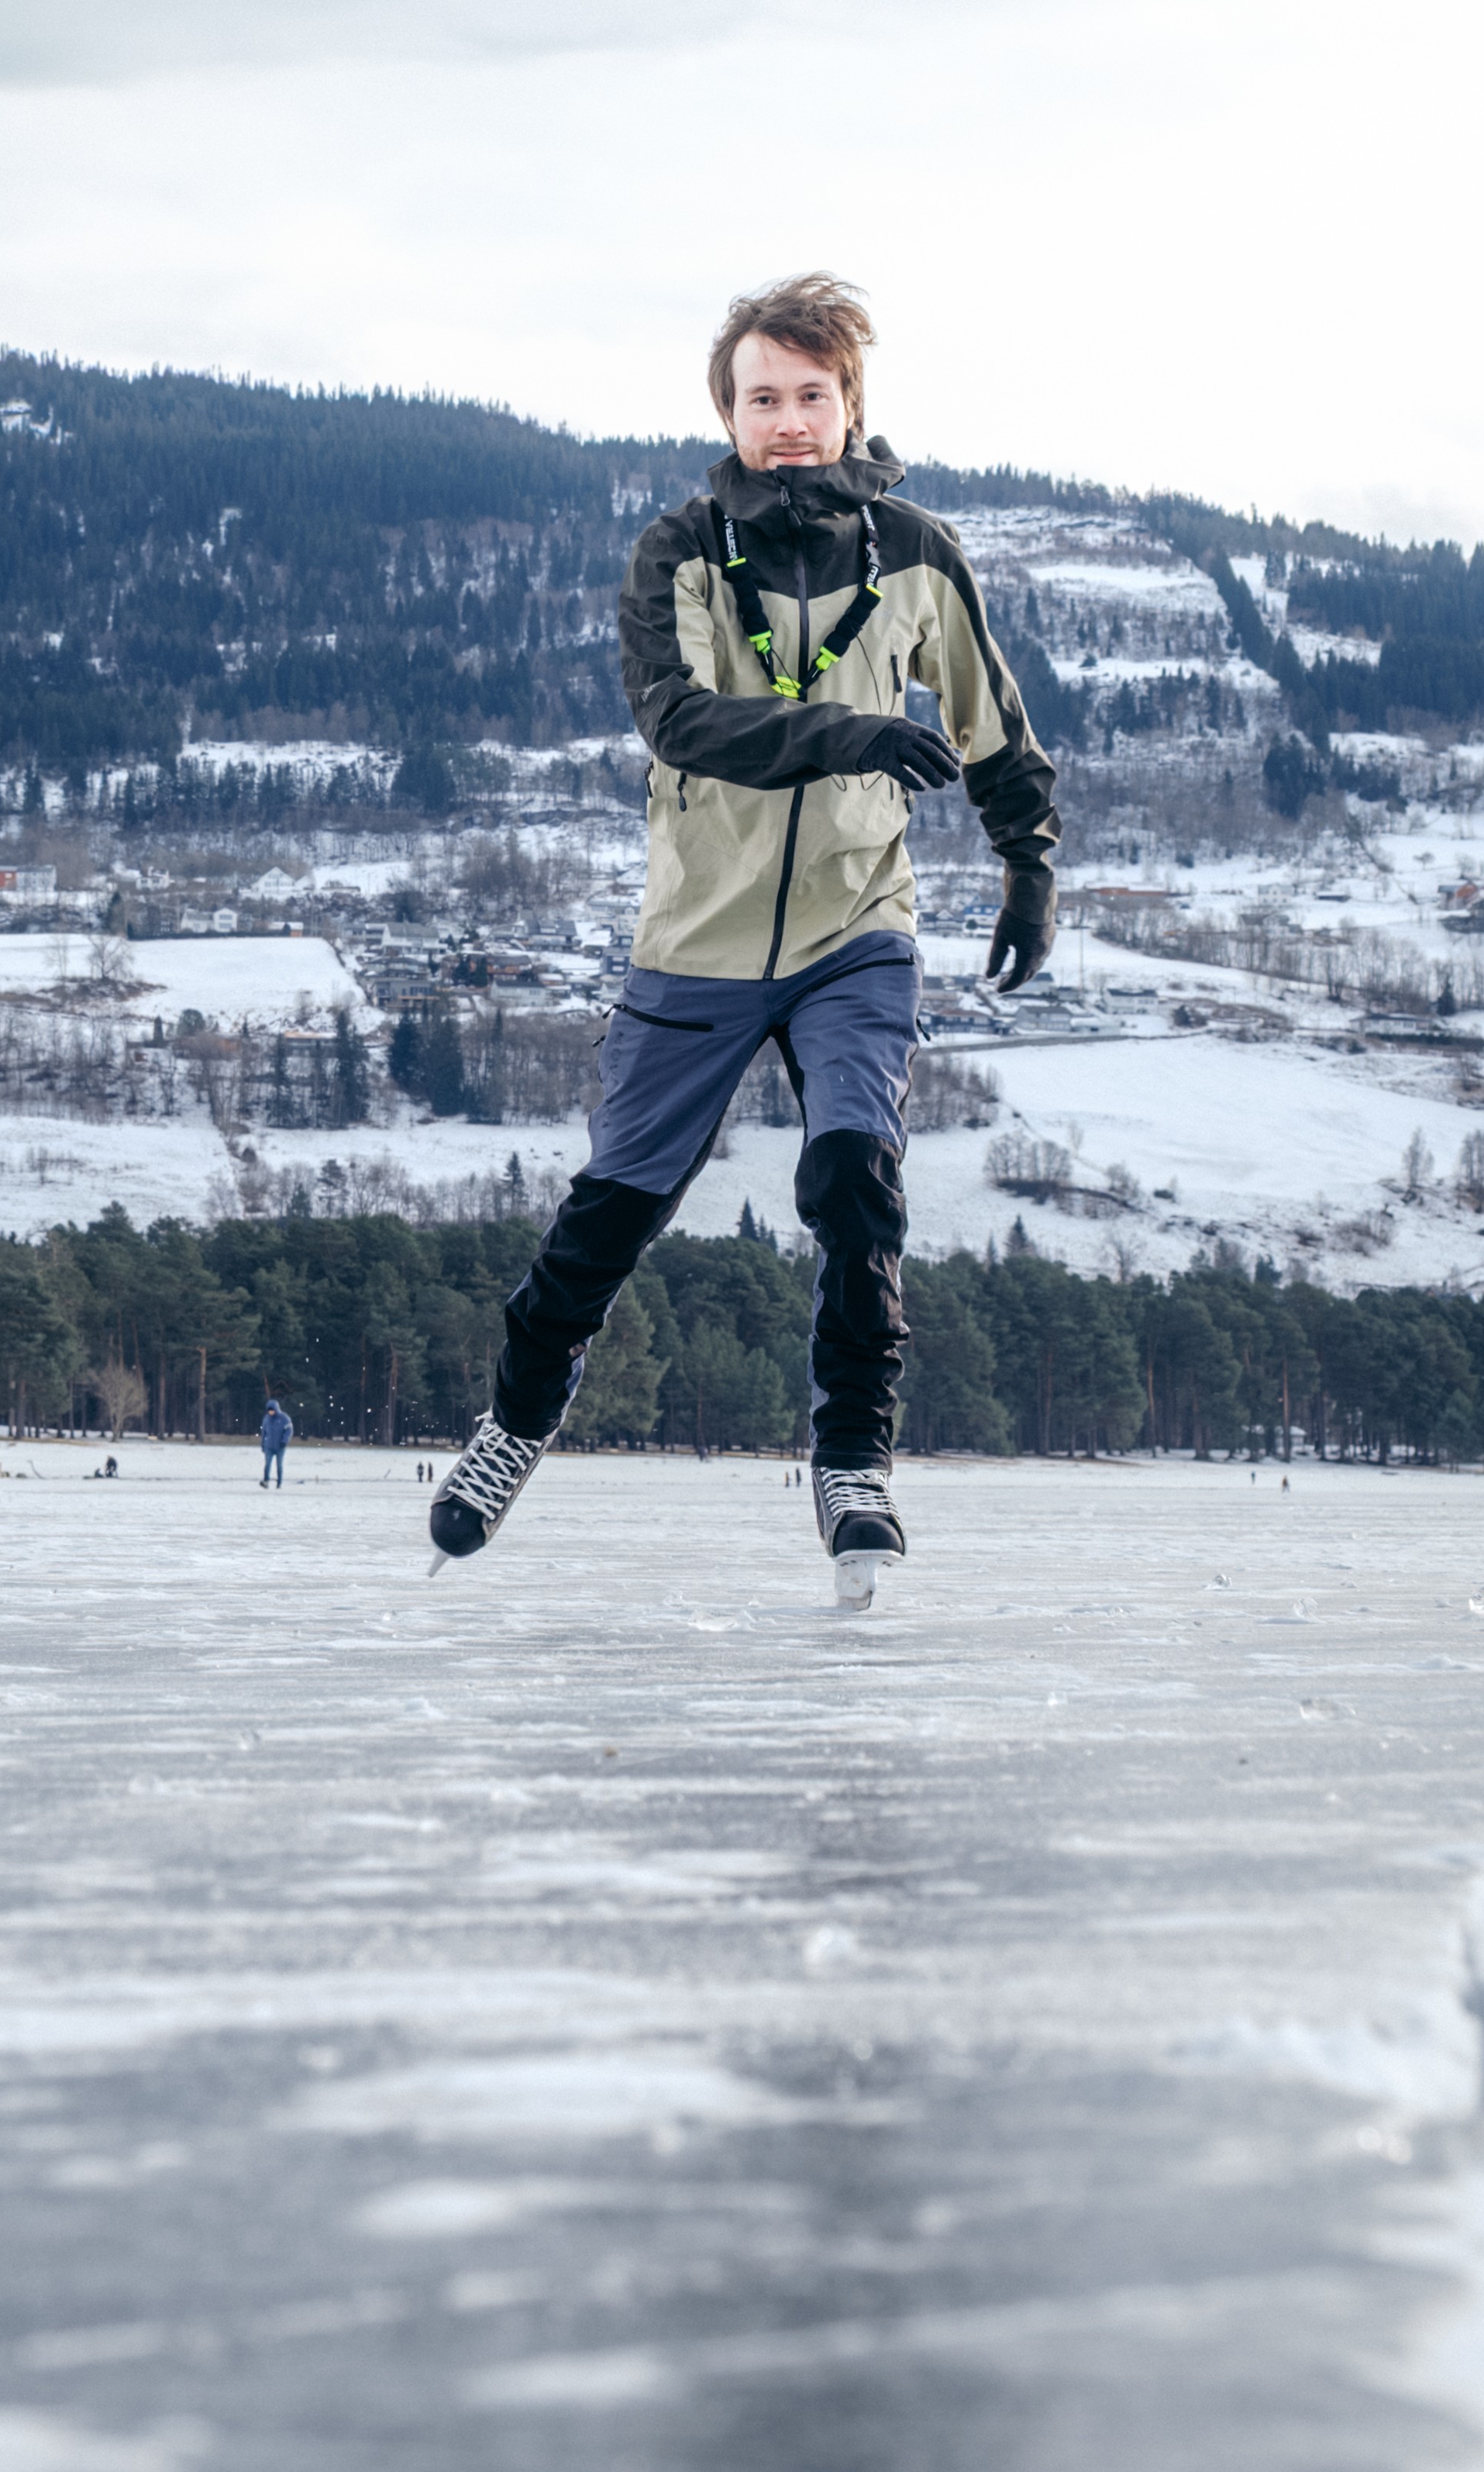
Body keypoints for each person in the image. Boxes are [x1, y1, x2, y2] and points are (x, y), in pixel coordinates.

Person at [432, 273, 1059, 1593]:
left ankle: (850, 1464)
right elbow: (678, 722)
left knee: (851, 1174)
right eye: (761, 396)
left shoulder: (918, 555)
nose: (786, 419)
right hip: (696, 941)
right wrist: (850, 732)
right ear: (725, 410)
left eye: (809, 396)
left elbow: (992, 724)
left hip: (854, 926)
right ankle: (512, 1427)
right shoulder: (675, 555)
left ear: (848, 406)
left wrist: (1026, 869)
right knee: (607, 1217)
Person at [259, 1398, 291, 1489]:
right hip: (269, 1446)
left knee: (279, 1465)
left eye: (272, 1410)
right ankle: (266, 1481)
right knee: (267, 1464)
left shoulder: (284, 1418)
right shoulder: (266, 1419)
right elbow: (264, 1433)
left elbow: (289, 1430)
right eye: (269, 1411)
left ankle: (279, 1483)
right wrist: (263, 1444)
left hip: (280, 1447)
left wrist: (285, 1441)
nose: (271, 1412)